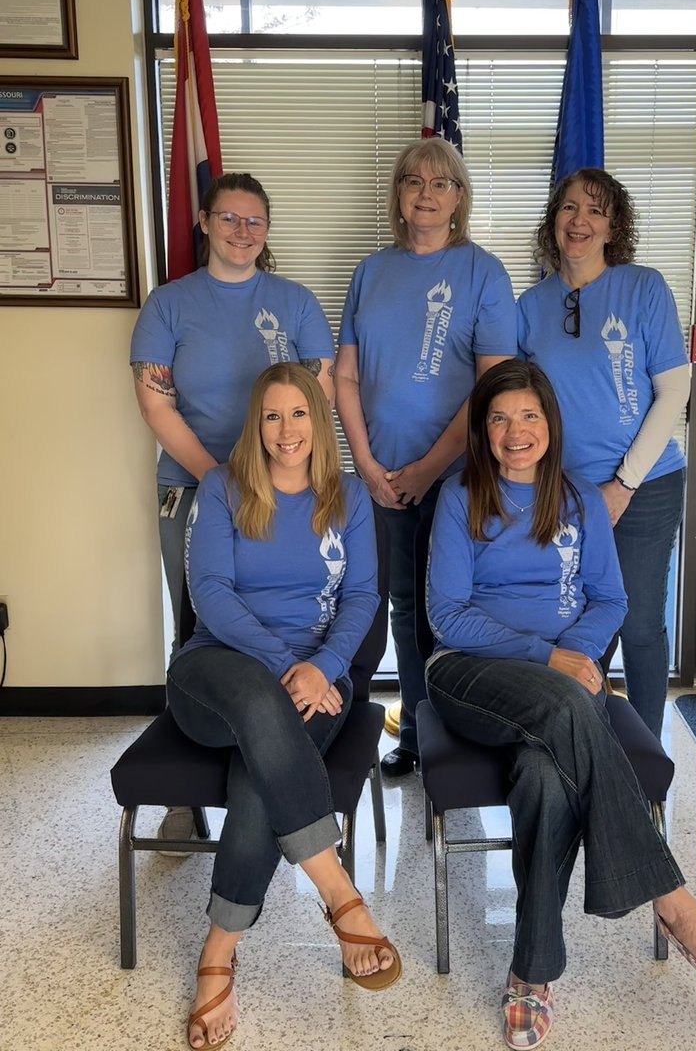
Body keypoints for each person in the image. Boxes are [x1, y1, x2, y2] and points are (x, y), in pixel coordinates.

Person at [425, 360, 696, 1051]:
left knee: (545, 776)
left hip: (559, 690)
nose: (514, 431)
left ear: (550, 423)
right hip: (469, 675)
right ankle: (673, 900)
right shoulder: (460, 494)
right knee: (563, 710)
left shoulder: (580, 498)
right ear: (482, 432)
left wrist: (578, 655)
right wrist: (550, 657)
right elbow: (447, 614)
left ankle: (531, 974)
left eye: (527, 416)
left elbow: (610, 600)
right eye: (499, 419)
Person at [169, 363, 400, 1050]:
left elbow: (362, 598)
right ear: (256, 425)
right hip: (218, 672)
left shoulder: (350, 497)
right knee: (259, 705)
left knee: (258, 777)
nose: (286, 429)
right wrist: (284, 666)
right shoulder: (222, 487)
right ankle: (338, 890)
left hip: (320, 683)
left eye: (298, 413)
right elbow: (209, 591)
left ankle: (217, 955)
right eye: (272, 416)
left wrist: (324, 667)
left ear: (318, 420)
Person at [131, 172, 335, 843]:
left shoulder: (296, 302)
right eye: (229, 218)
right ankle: (183, 795)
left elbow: (317, 399)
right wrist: (225, 479)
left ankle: (266, 742)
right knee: (196, 621)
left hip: (288, 486)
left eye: (254, 221)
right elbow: (155, 402)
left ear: (267, 230)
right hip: (194, 486)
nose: (241, 231)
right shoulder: (169, 303)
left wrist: (272, 475)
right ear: (205, 223)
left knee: (288, 611)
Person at [335, 137, 516, 777]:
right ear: (399, 196)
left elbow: (491, 385)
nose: (426, 193)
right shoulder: (371, 272)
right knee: (402, 607)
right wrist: (365, 463)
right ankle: (413, 728)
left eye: (441, 183)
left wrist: (426, 470)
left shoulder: (483, 272)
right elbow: (346, 378)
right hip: (381, 478)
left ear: (459, 198)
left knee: (458, 608)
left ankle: (460, 727)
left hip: (459, 478)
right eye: (414, 181)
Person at [517, 169, 691, 739]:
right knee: (574, 624)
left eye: (595, 210)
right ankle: (581, 740)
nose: (580, 221)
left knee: (639, 623)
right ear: (554, 221)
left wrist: (624, 483)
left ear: (614, 226)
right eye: (569, 209)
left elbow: (674, 391)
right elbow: (521, 403)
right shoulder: (530, 305)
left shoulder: (644, 288)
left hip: (646, 486)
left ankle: (644, 755)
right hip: (561, 492)